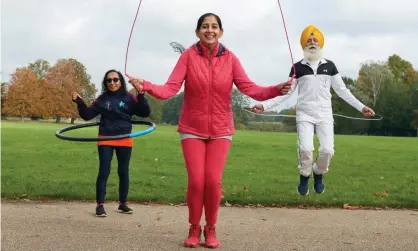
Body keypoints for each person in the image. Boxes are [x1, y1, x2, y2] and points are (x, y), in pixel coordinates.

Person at [128, 13, 292, 249]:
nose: (210, 30)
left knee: (213, 181)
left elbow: (250, 88)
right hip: (192, 128)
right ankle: (194, 228)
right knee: (196, 181)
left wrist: (276, 89)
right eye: (205, 26)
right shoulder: (188, 56)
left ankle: (211, 229)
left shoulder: (231, 59)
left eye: (214, 26)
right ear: (197, 32)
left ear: (221, 32)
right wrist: (146, 86)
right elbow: (169, 89)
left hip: (221, 128)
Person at [251, 24, 375, 196]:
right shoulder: (297, 68)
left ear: (320, 43)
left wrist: (362, 107)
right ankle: (304, 176)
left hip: (325, 115)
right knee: (306, 149)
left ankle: (318, 173)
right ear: (303, 44)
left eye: (315, 39)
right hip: (304, 115)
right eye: (308, 40)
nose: (312, 42)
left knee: (327, 150)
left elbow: (342, 91)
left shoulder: (330, 66)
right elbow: (286, 93)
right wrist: (264, 106)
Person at [71, 69, 151, 217]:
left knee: (123, 171)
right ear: (106, 83)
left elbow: (145, 112)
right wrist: (80, 102)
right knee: (104, 171)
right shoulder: (102, 99)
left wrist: (141, 95)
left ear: (120, 81)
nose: (112, 82)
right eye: (109, 80)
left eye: (115, 79)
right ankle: (100, 205)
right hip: (105, 138)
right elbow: (87, 115)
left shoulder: (129, 98)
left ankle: (123, 203)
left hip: (125, 138)